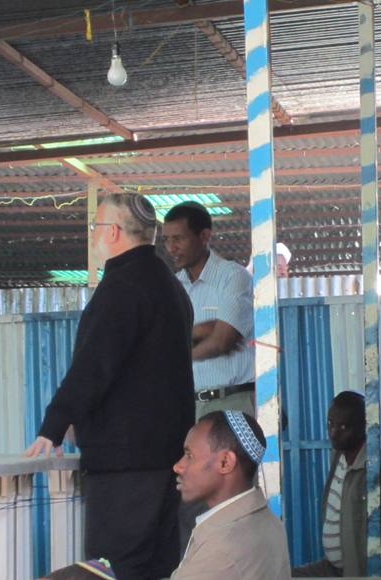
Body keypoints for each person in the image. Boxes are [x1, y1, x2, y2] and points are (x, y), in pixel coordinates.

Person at [26, 193, 195, 580]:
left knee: (115, 568)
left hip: (126, 468)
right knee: (158, 567)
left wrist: (54, 425)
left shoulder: (122, 288)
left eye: (96, 227)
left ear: (113, 232)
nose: (94, 236)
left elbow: (93, 367)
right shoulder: (170, 287)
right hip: (166, 459)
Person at [293, 391, 381, 577]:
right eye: (330, 424)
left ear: (363, 427)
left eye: (343, 426)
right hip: (334, 568)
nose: (333, 432)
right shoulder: (339, 453)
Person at [171, 411, 291, 579]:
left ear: (225, 462)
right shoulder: (269, 521)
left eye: (189, 456)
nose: (178, 466)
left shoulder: (220, 551)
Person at [163, 201, 255, 418]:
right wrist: (204, 331)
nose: (171, 248)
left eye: (178, 239)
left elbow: (222, 341)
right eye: (167, 240)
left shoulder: (232, 276)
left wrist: (180, 352)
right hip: (190, 404)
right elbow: (166, 341)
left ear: (204, 236)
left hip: (233, 401)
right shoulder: (175, 286)